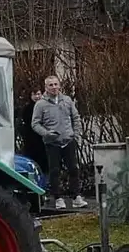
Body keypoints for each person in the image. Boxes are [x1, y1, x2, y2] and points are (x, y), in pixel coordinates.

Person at [31, 75, 88, 210]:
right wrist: (46, 133)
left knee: (73, 169)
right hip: (52, 143)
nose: (54, 87)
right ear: (46, 87)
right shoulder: (40, 104)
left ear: (59, 85)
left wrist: (76, 134)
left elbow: (76, 118)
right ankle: (58, 198)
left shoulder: (67, 100)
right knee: (54, 171)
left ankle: (76, 197)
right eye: (51, 85)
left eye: (56, 84)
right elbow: (35, 124)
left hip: (68, 141)